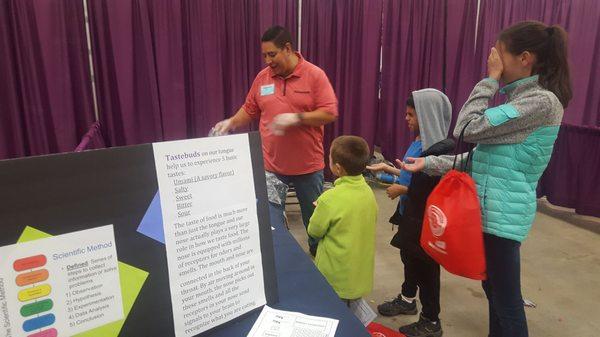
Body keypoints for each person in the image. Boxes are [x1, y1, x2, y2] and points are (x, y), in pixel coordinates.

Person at [400, 21, 572, 337]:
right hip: (491, 212)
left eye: (499, 53)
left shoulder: (540, 102)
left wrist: (488, 80)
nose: (493, 59)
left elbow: (465, 129)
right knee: (494, 290)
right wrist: (429, 161)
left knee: (506, 300)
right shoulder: (521, 100)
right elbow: (479, 157)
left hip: (503, 216)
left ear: (525, 58)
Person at [212, 26, 338, 256]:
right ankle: (278, 261)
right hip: (272, 169)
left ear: (288, 49)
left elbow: (329, 113)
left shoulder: (314, 75)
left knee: (315, 223)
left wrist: (297, 118)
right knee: (271, 222)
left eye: (272, 54)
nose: (268, 61)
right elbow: (250, 109)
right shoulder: (263, 78)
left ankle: (317, 260)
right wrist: (230, 122)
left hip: (308, 169)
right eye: (264, 56)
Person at [368, 89, 454, 337]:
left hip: (424, 221)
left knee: (426, 269)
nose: (406, 118)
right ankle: (407, 298)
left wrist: (402, 189)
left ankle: (431, 320)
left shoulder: (437, 152)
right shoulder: (419, 142)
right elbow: (411, 174)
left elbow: (432, 192)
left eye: (411, 115)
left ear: (427, 116)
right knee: (409, 258)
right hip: (410, 216)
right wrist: (388, 170)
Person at [307, 136, 378, 303]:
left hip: (335, 275)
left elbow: (314, 231)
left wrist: (320, 209)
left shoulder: (329, 198)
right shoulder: (368, 192)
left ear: (337, 168)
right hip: (360, 272)